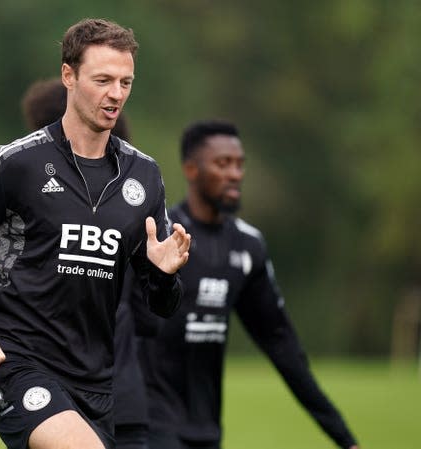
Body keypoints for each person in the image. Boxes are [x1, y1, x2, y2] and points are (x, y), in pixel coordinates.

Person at [0, 18, 191, 449]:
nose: (116, 94)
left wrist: (163, 275)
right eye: (102, 80)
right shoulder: (17, 163)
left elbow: (160, 307)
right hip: (15, 364)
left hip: (97, 384)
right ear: (69, 75)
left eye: (125, 82)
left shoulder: (145, 177)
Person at [139, 120, 360, 449]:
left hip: (206, 429)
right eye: (222, 163)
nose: (235, 174)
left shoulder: (248, 246)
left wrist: (344, 437)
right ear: (191, 169)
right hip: (149, 424)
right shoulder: (160, 238)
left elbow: (280, 343)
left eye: (240, 164)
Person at [21, 77, 151, 449]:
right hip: (123, 397)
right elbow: (152, 318)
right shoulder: (132, 213)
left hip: (49, 396)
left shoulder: (39, 216)